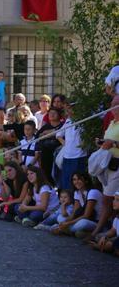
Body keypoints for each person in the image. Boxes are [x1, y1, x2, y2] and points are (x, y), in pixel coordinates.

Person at [90, 95, 119, 240]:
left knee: (108, 199)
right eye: (112, 104)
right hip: (107, 164)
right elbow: (108, 141)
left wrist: (113, 144)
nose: (113, 107)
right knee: (109, 199)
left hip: (117, 166)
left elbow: (114, 143)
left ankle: (98, 230)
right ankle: (109, 228)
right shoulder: (112, 122)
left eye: (117, 104)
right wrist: (102, 143)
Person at [52, 172, 102, 238]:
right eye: (74, 179)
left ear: (86, 180)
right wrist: (64, 222)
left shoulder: (92, 192)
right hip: (82, 219)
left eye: (79, 179)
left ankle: (63, 230)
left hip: (95, 221)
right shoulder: (77, 192)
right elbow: (74, 213)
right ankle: (70, 230)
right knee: (60, 218)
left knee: (83, 223)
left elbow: (86, 215)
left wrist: (67, 224)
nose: (76, 182)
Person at [56, 101, 87, 190]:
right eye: (68, 108)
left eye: (71, 108)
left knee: (78, 182)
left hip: (79, 156)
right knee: (67, 181)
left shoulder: (83, 120)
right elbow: (58, 134)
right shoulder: (68, 121)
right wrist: (65, 144)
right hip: (67, 156)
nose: (69, 110)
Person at [36, 107, 63, 185]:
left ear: (59, 115)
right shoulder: (45, 127)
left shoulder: (63, 126)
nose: (52, 115)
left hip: (58, 154)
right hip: (46, 155)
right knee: (46, 174)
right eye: (50, 113)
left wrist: (47, 133)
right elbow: (38, 137)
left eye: (54, 113)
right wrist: (46, 133)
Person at [89, 191, 119, 256]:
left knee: (109, 244)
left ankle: (100, 247)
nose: (114, 202)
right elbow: (113, 231)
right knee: (98, 237)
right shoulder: (117, 218)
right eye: (114, 199)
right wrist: (105, 236)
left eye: (117, 200)